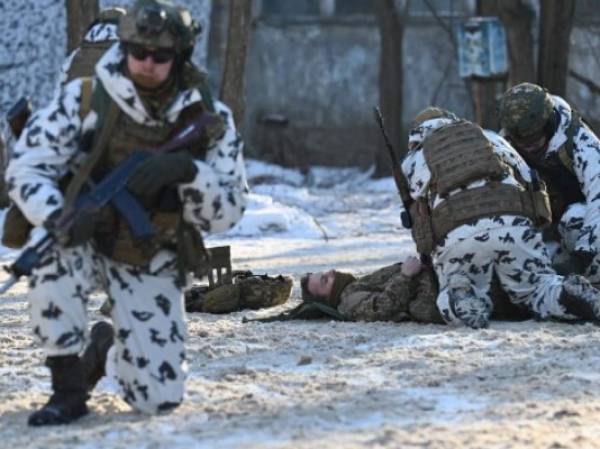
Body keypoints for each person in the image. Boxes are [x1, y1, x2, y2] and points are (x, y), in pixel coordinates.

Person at [5, 0, 247, 426]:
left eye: (161, 56)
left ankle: (104, 353)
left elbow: (227, 211)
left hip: (148, 248)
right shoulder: (84, 98)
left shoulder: (208, 118)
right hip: (82, 240)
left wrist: (190, 171)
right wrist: (58, 214)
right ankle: (68, 388)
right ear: (126, 47)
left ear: (180, 56)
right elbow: (27, 167)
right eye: (139, 52)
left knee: (157, 399)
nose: (148, 63)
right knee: (49, 255)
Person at [399, 106, 600, 329]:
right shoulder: (490, 137)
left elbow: (420, 219)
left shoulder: (413, 160)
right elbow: (531, 181)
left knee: (453, 293)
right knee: (537, 287)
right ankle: (565, 292)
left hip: (459, 234)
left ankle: (461, 293)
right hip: (514, 223)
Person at [498, 82, 600, 279]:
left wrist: (582, 257)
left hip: (586, 230)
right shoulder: (505, 148)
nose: (528, 147)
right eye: (520, 141)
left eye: (534, 138)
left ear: (548, 122)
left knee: (575, 218)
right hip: (545, 232)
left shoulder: (580, 143)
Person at [300, 256, 444, 323]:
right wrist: (405, 276)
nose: (331, 271)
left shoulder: (352, 288)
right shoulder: (348, 303)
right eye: (325, 280)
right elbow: (385, 306)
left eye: (324, 272)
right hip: (438, 290)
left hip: (436, 276)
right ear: (327, 299)